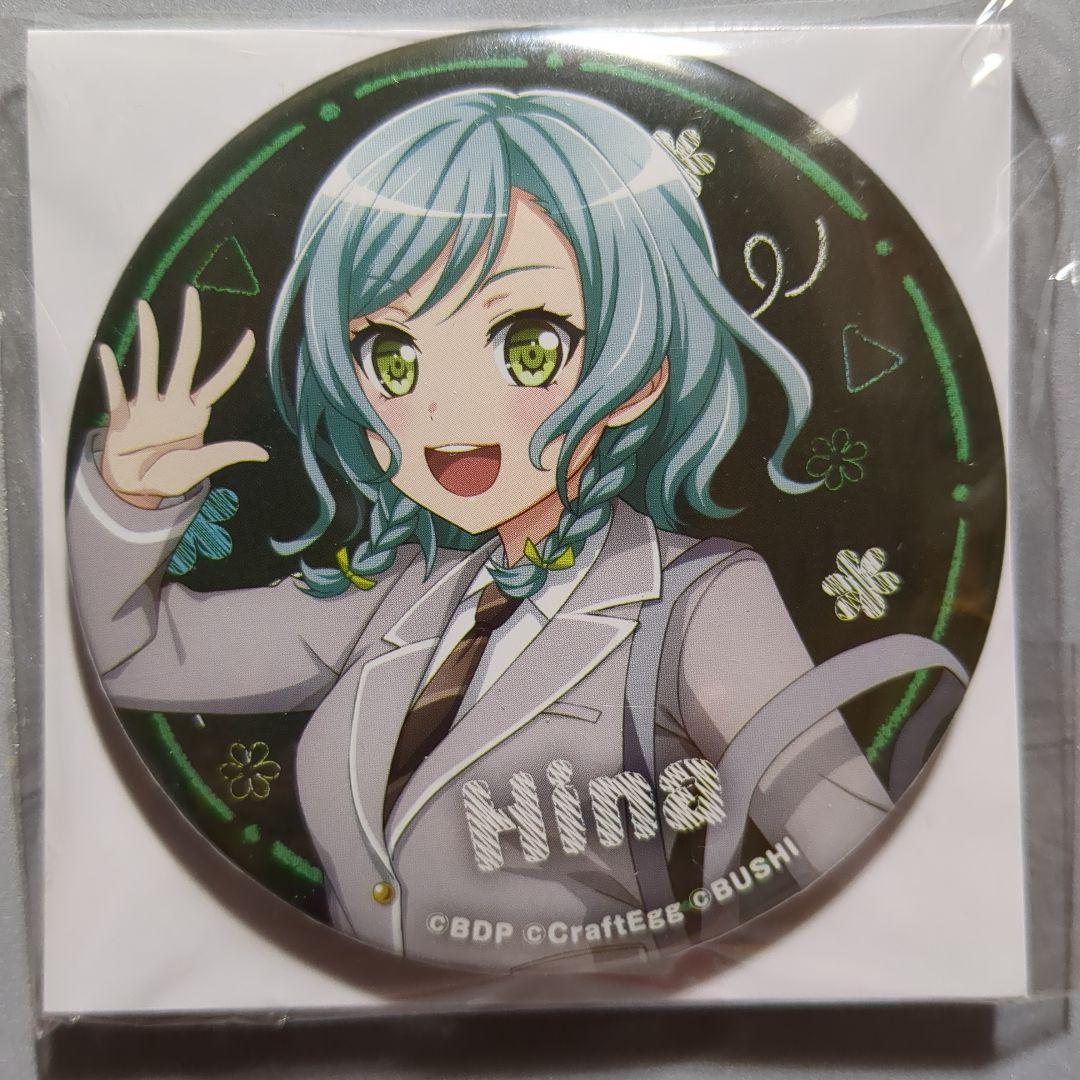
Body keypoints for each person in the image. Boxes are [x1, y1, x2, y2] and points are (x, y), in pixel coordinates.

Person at [68, 87, 937, 972]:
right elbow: (128, 658)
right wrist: (127, 499)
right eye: (392, 357)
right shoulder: (394, 595)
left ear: (641, 370)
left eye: (528, 346)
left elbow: (858, 857)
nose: (444, 412)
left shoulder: (699, 603)